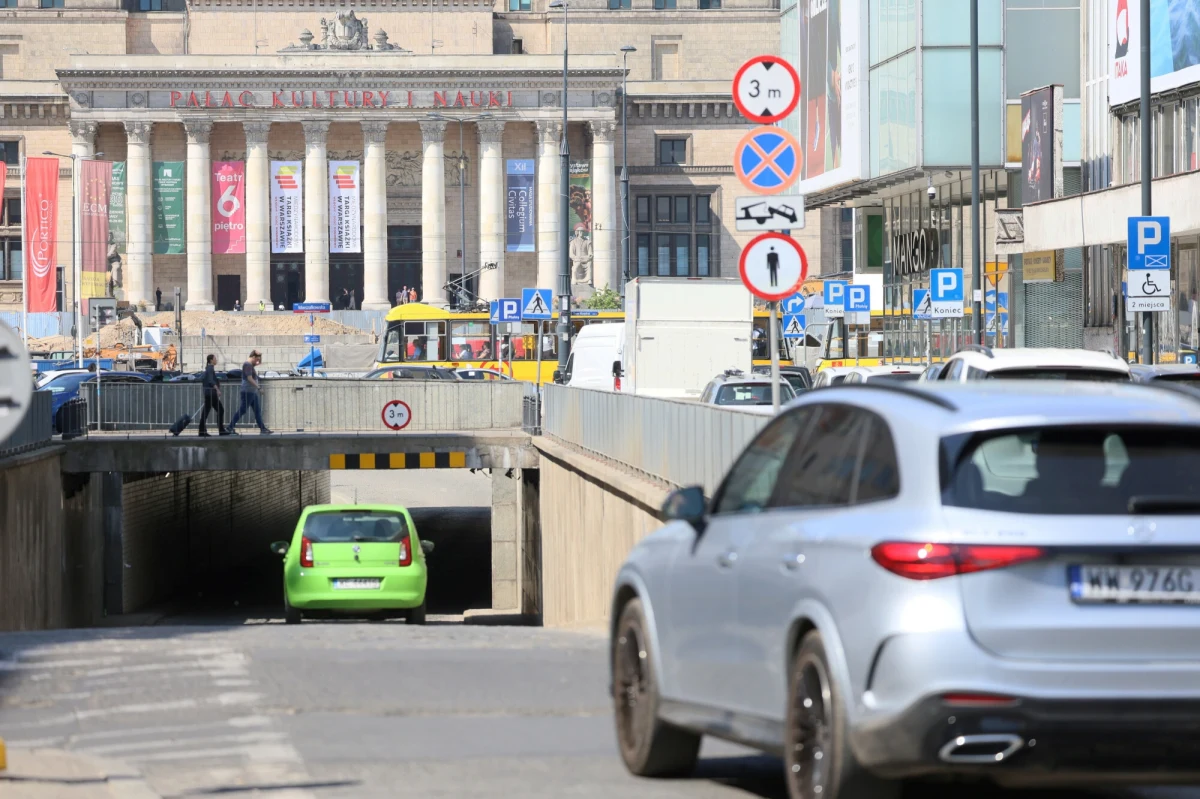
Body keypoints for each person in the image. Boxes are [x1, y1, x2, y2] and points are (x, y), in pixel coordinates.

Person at [227, 349, 272, 435]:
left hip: (252, 392)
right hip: (247, 392)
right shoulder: (247, 365)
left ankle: (263, 429)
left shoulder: (251, 365)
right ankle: (230, 427)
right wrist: (259, 388)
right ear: (253, 357)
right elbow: (249, 378)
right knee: (243, 410)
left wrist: (260, 356)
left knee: (257, 411)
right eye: (257, 359)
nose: (257, 361)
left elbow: (259, 363)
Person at [198, 353, 229, 437]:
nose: (216, 360)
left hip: (209, 394)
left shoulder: (208, 368)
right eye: (215, 358)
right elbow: (211, 381)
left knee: (208, 412)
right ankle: (220, 430)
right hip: (211, 394)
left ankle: (202, 431)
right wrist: (217, 389)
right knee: (218, 410)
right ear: (211, 360)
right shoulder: (210, 368)